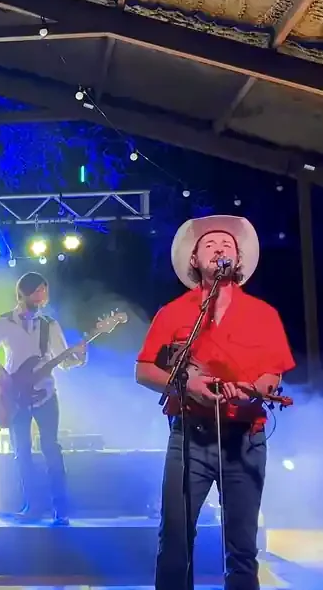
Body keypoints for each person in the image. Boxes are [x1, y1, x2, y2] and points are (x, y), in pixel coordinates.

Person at [134, 215, 295, 590]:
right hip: (190, 436)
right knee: (175, 540)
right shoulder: (174, 312)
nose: (219, 248)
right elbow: (143, 370)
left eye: (227, 245)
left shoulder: (263, 314)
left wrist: (253, 388)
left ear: (238, 259)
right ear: (194, 260)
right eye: (209, 244)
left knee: (241, 547)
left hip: (245, 438)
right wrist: (188, 385)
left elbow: (272, 375)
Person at [0, 272, 86, 525]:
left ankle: (60, 508)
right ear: (23, 293)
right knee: (22, 453)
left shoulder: (50, 325)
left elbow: (64, 361)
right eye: (37, 291)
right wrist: (2, 373)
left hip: (45, 394)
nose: (42, 296)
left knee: (51, 449)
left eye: (44, 290)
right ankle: (32, 506)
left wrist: (81, 356)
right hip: (16, 396)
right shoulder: (5, 321)